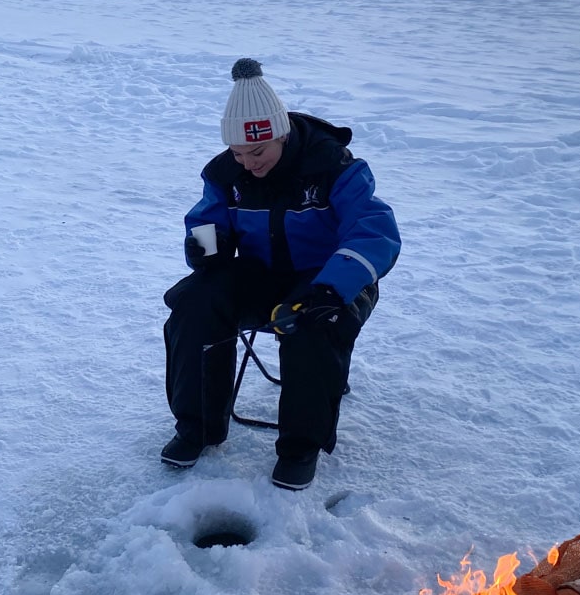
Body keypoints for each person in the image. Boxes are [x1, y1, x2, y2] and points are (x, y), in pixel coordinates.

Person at [162, 58, 401, 491]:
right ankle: (196, 427)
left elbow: (375, 232)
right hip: (259, 272)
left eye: (258, 152)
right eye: (238, 153)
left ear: (282, 134)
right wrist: (206, 248)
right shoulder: (226, 173)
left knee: (312, 322)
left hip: (328, 278)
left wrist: (331, 287)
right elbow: (205, 219)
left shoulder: (334, 168)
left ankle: (300, 447)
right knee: (194, 305)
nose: (248, 163)